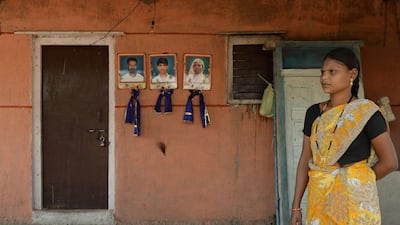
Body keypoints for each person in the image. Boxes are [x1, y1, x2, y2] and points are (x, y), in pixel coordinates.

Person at [290, 48, 398, 225]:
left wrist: (356, 180)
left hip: (355, 203)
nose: (324, 78)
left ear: (352, 74)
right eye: (322, 72)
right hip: (320, 199)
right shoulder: (313, 113)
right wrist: (296, 208)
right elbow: (305, 160)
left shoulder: (366, 113)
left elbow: (390, 162)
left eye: (332, 72)